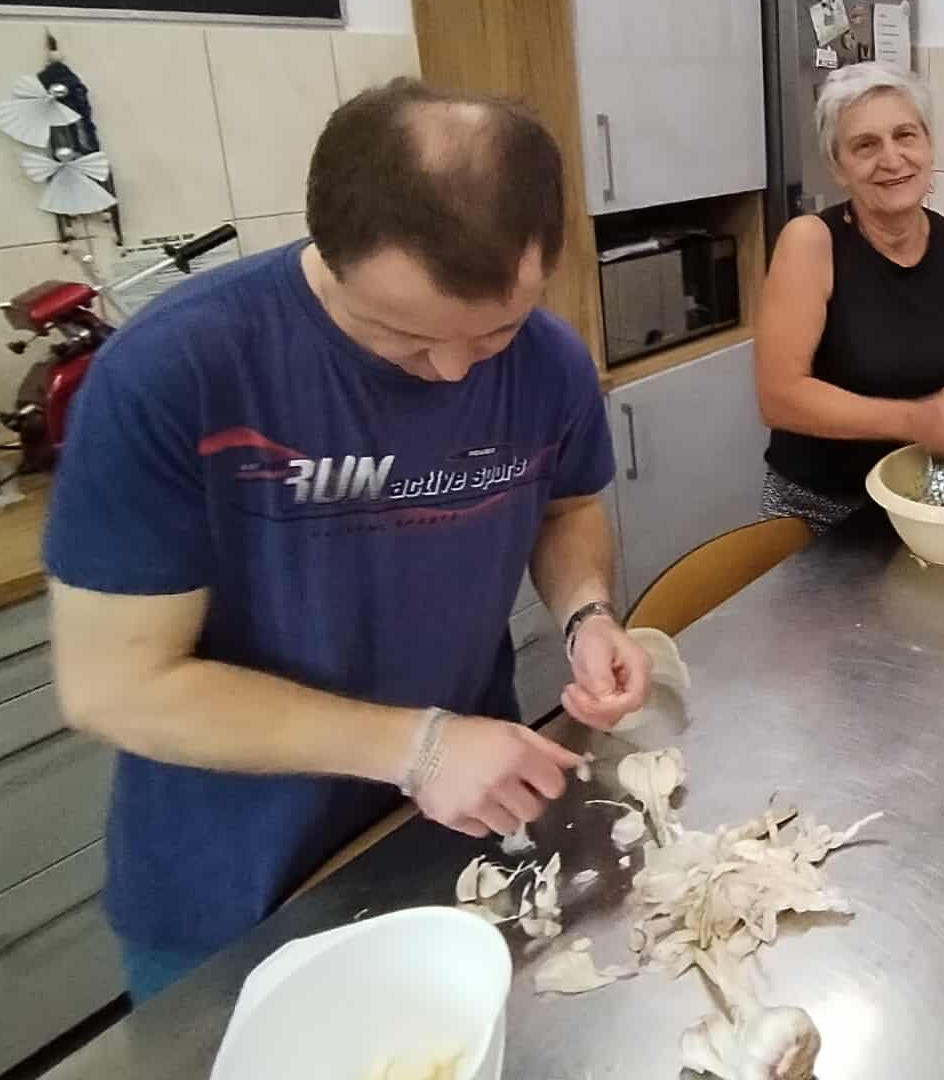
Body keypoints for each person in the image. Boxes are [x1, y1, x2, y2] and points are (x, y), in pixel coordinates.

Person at [45, 81, 652, 1001]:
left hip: (451, 843)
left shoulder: (549, 361)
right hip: (237, 891)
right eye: (404, 337)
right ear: (329, 251)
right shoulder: (175, 373)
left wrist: (587, 615)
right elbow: (115, 686)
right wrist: (419, 747)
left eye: (494, 330)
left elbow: (563, 508)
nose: (453, 369)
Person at [755, 64, 944, 529]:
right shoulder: (810, 243)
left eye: (905, 135)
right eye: (865, 145)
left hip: (932, 497)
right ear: (838, 168)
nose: (892, 159)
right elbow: (779, 397)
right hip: (819, 513)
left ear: (929, 146)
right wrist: (917, 421)